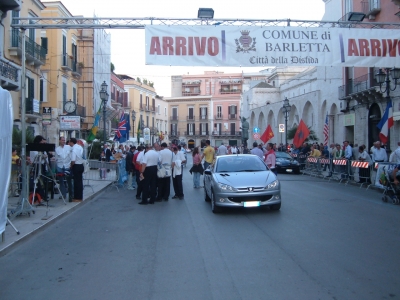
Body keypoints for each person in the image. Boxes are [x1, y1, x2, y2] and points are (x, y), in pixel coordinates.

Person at [55, 136, 73, 201]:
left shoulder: (68, 147)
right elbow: (56, 158)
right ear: (59, 141)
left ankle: (71, 194)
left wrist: (71, 163)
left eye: (64, 140)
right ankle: (63, 194)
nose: (63, 141)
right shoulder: (57, 149)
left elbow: (71, 155)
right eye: (62, 140)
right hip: (60, 166)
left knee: (69, 180)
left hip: (67, 166)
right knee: (61, 181)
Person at [69, 138, 84, 202]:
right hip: (81, 165)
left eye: (69, 142)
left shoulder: (74, 149)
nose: (69, 143)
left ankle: (77, 197)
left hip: (77, 166)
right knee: (80, 182)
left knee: (76, 182)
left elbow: (73, 160)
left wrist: (71, 166)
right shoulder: (78, 147)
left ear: (72, 142)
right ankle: (80, 196)